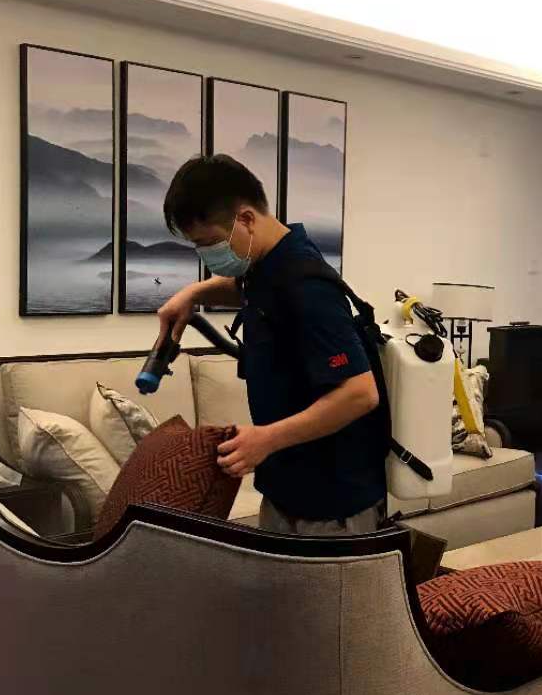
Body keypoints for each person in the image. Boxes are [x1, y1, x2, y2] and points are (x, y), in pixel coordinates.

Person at [157, 154, 388, 536]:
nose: (207, 257)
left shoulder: (307, 286)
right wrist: (192, 294)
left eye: (210, 243)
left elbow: (360, 394)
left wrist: (265, 439)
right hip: (286, 488)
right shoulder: (269, 263)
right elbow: (248, 290)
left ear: (246, 219)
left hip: (330, 506)